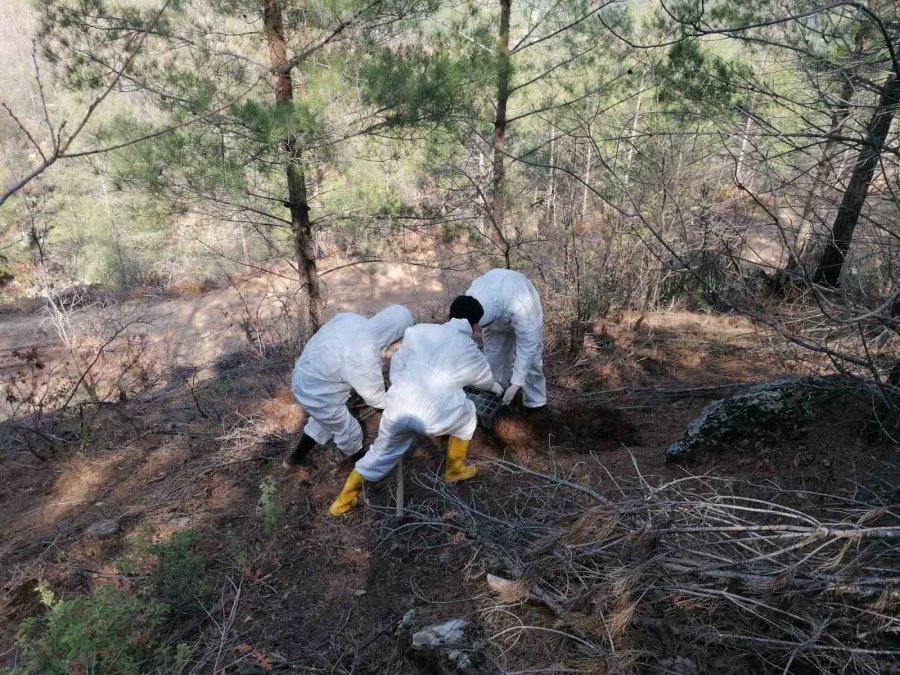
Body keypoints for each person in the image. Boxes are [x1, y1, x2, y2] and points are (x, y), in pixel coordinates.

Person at [329, 297, 503, 515]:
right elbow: (484, 381)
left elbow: (398, 361)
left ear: (448, 316)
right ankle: (455, 469)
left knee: (378, 455)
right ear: (475, 325)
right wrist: (498, 388)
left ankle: (341, 503)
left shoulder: (418, 331)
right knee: (467, 413)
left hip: (398, 410)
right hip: (435, 420)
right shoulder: (470, 351)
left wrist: (400, 386)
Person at [283, 304, 416, 469]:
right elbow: (377, 399)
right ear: (395, 335)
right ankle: (363, 469)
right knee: (349, 432)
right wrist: (404, 402)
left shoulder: (351, 319)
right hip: (317, 391)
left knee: (323, 421)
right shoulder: (365, 354)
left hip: (304, 374)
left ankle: (294, 459)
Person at [464, 268, 546, 410]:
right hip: (493, 319)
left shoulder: (523, 306)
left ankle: (535, 403)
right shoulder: (471, 299)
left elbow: (527, 347)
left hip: (523, 310)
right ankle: (498, 391)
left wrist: (516, 384)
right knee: (494, 356)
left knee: (532, 362)